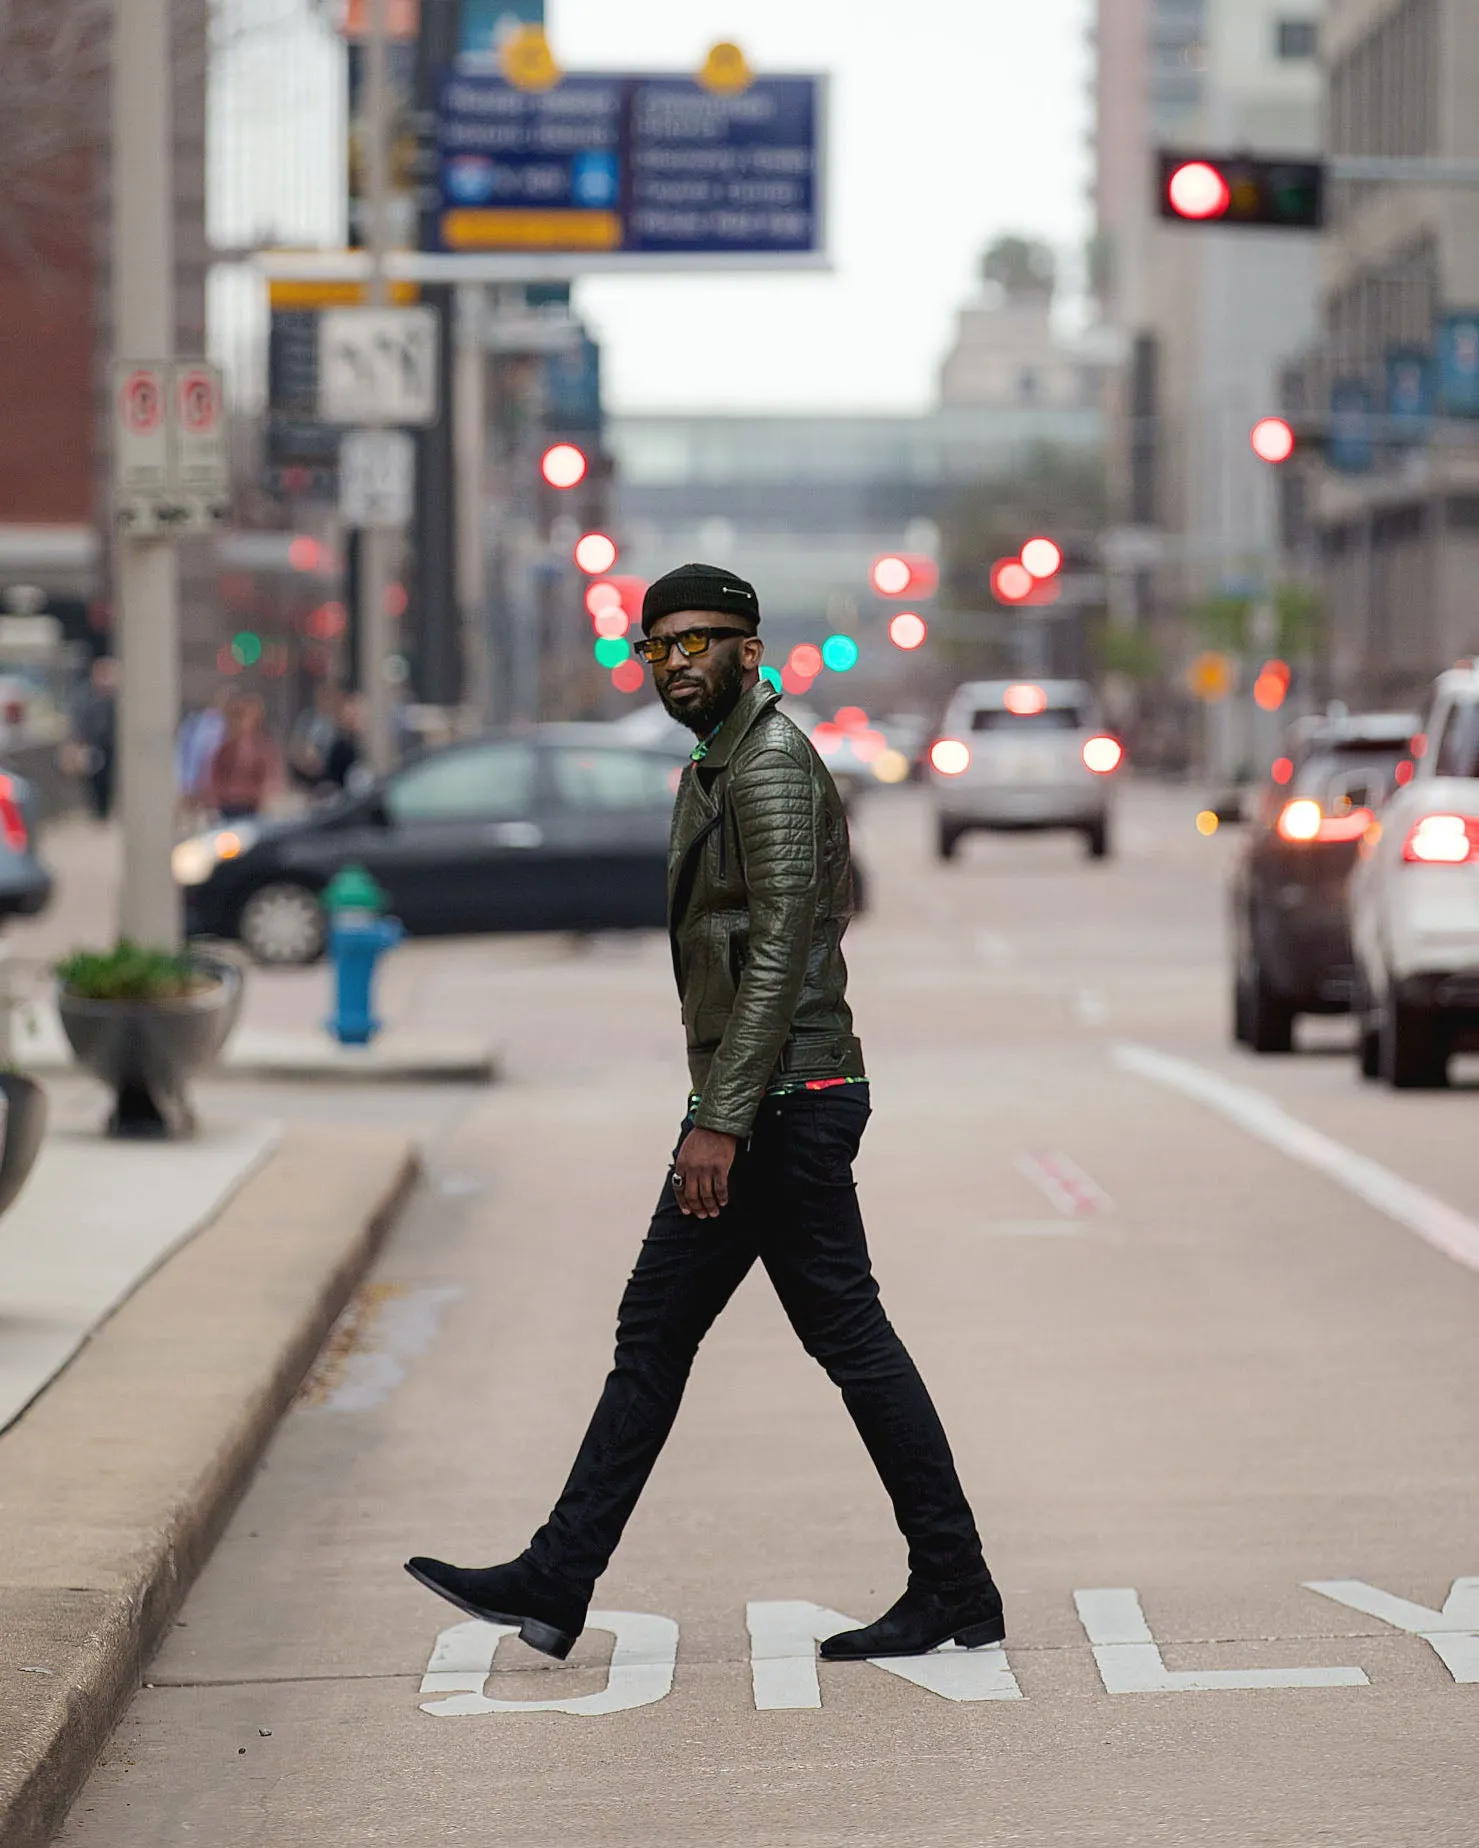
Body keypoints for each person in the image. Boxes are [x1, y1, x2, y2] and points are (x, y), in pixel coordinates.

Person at [406, 563, 1003, 1664]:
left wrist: (718, 1122)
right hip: (766, 1094)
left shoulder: (766, 767)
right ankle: (562, 1574)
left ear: (748, 651)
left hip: (782, 1103)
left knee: (828, 1337)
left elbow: (777, 950)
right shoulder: (717, 762)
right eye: (659, 647)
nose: (675, 663)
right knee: (680, 1332)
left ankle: (952, 1582)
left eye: (698, 642)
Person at [204, 693, 282, 821]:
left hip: (252, 806)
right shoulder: (226, 747)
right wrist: (213, 803)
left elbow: (270, 778)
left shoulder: (262, 747)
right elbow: (215, 777)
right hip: (228, 806)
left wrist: (264, 797)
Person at [65, 655, 119, 819]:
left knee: (109, 777)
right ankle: (98, 810)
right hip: (92, 744)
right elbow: (79, 720)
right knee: (93, 778)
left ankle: (105, 809)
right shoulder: (85, 695)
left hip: (111, 745)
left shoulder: (115, 697)